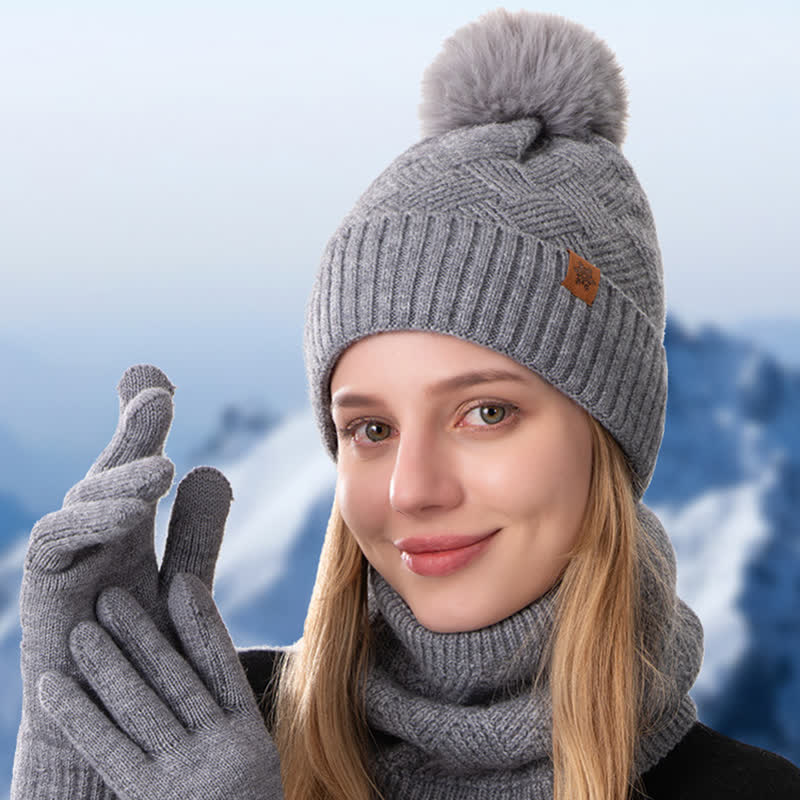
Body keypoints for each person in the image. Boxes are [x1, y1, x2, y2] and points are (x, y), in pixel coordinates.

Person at [11, 9, 800, 800]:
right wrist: (71, 770)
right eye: (371, 429)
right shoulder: (212, 737)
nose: (412, 489)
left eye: (486, 413)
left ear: (609, 435)